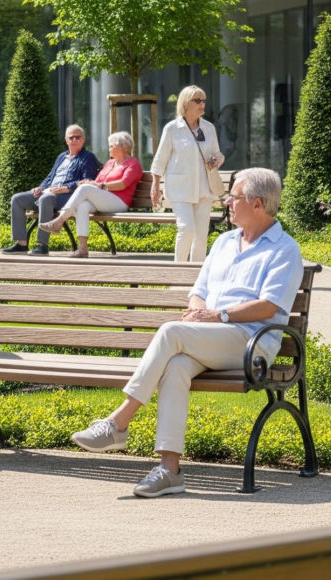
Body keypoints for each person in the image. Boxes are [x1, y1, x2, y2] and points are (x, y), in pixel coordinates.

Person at [70, 167, 303, 497]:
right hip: (211, 337)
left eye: (233, 197)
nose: (227, 202)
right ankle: (169, 470)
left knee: (170, 333)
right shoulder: (224, 242)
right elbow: (200, 290)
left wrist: (214, 315)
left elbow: (268, 306)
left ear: (257, 204)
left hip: (251, 342)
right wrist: (199, 313)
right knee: (177, 365)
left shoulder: (284, 249)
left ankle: (118, 422)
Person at [40, 131, 143, 258]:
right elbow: (98, 181)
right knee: (83, 206)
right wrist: (90, 182)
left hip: (119, 201)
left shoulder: (133, 164)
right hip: (103, 199)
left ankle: (59, 220)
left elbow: (123, 184)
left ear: (122, 147)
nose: (109, 148)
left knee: (84, 189)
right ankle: (83, 248)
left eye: (111, 146)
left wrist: (101, 186)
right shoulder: (110, 163)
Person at [151, 86, 225, 262]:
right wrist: (155, 186)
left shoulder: (209, 128)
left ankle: (196, 280)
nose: (202, 104)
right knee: (187, 229)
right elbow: (160, 159)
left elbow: (218, 153)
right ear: (185, 103)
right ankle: (178, 274)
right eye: (197, 100)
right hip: (180, 189)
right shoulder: (172, 128)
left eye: (203, 100)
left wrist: (216, 160)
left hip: (204, 188)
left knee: (200, 237)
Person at [1, 125, 100, 256]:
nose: (74, 140)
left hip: (68, 196)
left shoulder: (88, 157)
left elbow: (87, 180)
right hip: (49, 191)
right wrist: (40, 187)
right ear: (66, 140)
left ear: (83, 140)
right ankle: (21, 244)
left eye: (78, 137)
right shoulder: (61, 157)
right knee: (17, 199)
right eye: (71, 137)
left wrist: (65, 188)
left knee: (45, 199)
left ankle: (42, 245)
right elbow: (50, 177)